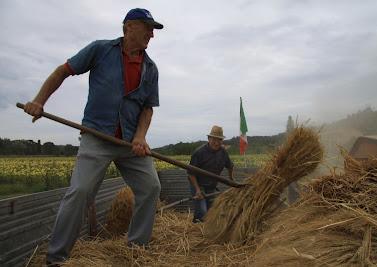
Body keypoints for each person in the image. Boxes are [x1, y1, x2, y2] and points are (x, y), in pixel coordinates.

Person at [23, 8, 163, 265]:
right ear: (129, 26)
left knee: (151, 187)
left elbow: (147, 108)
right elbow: (62, 71)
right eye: (148, 27)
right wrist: (38, 101)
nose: (152, 34)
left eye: (153, 29)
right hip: (97, 135)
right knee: (80, 192)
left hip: (129, 143)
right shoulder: (100, 50)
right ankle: (56, 258)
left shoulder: (151, 69)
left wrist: (140, 136)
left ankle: (136, 249)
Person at [187, 125, 234, 223]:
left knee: (212, 212)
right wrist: (197, 190)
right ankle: (198, 231)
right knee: (202, 212)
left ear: (222, 140)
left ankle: (203, 227)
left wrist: (231, 180)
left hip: (212, 186)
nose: (216, 143)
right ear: (209, 138)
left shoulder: (223, 152)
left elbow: (230, 166)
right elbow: (191, 173)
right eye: (214, 139)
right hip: (198, 185)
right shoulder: (199, 153)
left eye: (219, 140)